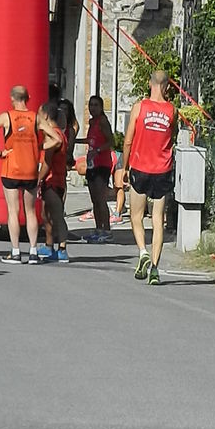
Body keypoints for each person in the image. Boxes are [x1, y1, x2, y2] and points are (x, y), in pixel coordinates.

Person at [0, 85, 61, 264]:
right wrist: (39, 147)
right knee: (31, 211)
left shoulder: (6, 116)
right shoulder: (36, 118)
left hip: (10, 169)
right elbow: (57, 139)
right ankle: (33, 252)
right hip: (30, 170)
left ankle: (16, 251)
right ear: (28, 98)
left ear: (12, 98)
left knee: (13, 211)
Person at [122, 70, 177, 285]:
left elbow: (128, 140)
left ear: (149, 83)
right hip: (162, 169)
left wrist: (124, 167)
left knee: (136, 215)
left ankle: (143, 251)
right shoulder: (172, 110)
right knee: (157, 219)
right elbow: (170, 136)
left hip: (140, 167)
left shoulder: (139, 107)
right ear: (166, 87)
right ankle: (155, 268)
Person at [75, 95, 114, 243]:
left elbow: (111, 141)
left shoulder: (103, 121)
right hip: (92, 163)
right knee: (94, 199)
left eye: (96, 105)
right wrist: (75, 141)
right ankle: (99, 228)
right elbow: (90, 140)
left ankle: (107, 229)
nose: (93, 108)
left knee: (100, 198)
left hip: (102, 164)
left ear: (101, 107)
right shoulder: (92, 122)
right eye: (91, 105)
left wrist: (98, 150)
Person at [37, 102, 69, 263]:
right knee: (46, 214)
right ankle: (49, 246)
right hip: (55, 180)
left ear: (46, 116)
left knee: (56, 215)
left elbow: (47, 162)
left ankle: (62, 249)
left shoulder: (53, 136)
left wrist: (38, 179)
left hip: (53, 180)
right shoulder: (60, 134)